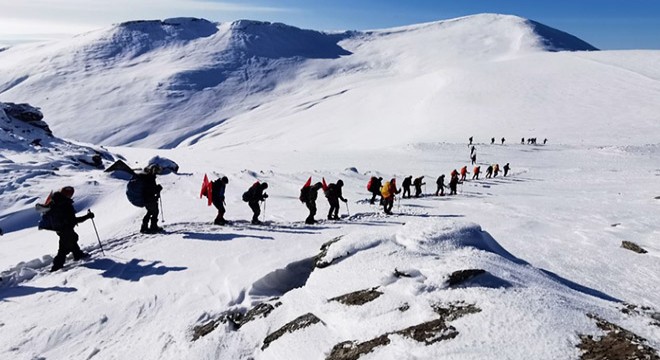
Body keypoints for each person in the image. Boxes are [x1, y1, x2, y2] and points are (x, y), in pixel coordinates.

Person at [49, 186, 95, 272]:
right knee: (63, 248)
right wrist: (88, 216)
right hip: (66, 228)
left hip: (60, 228)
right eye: (71, 194)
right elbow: (73, 220)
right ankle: (56, 266)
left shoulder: (57, 201)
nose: (71, 196)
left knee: (72, 239)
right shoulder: (64, 204)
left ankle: (78, 254)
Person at [141, 164, 163, 233]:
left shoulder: (147, 177)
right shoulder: (150, 178)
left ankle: (144, 227)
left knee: (150, 211)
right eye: (156, 171)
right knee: (155, 211)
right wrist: (158, 189)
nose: (156, 173)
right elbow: (151, 189)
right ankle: (153, 226)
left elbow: (150, 188)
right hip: (150, 198)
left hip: (147, 198)